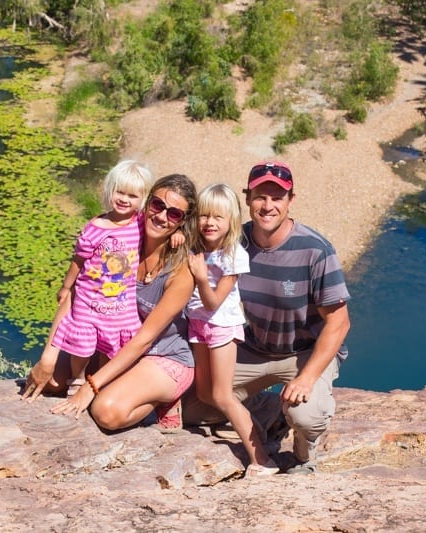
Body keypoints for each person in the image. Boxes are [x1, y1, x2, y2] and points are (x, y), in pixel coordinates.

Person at [183, 161, 351, 475]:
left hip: (304, 354)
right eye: (261, 196)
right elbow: (198, 237)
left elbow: (339, 322)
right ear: (247, 199)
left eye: (277, 197)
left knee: (305, 414)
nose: (268, 206)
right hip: (255, 348)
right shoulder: (235, 240)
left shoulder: (315, 250)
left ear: (291, 201)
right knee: (192, 406)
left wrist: (307, 377)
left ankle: (303, 456)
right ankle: (270, 413)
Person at [23, 174, 198, 433]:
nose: (162, 217)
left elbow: (145, 339)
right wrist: (48, 356)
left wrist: (89, 387)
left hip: (162, 354)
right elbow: (79, 290)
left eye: (174, 214)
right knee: (51, 382)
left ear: (183, 222)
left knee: (105, 410)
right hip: (118, 345)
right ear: (147, 203)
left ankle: (164, 400)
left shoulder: (181, 271)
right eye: (158, 205)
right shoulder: (124, 240)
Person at [33, 160, 154, 398]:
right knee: (82, 343)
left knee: (116, 341)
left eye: (132, 195)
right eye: (120, 192)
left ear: (142, 200)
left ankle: (105, 378)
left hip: (121, 301)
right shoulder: (94, 228)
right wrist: (66, 286)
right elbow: (78, 260)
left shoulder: (140, 223)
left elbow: (164, 227)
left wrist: (178, 235)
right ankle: (77, 378)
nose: (124, 199)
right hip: (90, 298)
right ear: (110, 189)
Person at [186, 183, 278, 477]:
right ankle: (256, 428)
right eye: (204, 216)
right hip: (197, 325)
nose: (209, 223)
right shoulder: (196, 246)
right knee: (204, 393)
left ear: (231, 222)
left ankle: (262, 459)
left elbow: (213, 301)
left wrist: (201, 277)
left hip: (222, 326)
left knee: (223, 395)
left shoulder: (234, 255)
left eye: (218, 217)